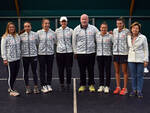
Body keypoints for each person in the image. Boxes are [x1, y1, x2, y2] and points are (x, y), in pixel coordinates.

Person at [73, 14, 99, 92]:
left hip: (91, 53)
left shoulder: (93, 28)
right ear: (80, 20)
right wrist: (75, 51)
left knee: (91, 70)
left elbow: (99, 36)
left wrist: (108, 33)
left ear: (88, 20)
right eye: (83, 19)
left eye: (85, 19)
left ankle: (91, 85)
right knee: (82, 70)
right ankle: (82, 85)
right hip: (80, 53)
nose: (84, 20)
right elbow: (74, 41)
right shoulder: (76, 29)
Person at [128, 22, 149, 98]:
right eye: (133, 28)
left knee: (139, 76)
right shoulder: (128, 37)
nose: (135, 29)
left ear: (139, 29)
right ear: (131, 29)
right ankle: (134, 90)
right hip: (131, 59)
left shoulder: (143, 37)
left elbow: (146, 49)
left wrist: (146, 60)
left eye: (137, 28)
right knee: (133, 76)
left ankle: (139, 91)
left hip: (140, 59)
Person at [1, 22, 21, 96]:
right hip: (10, 59)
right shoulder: (5, 37)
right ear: (8, 28)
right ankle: (11, 90)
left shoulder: (17, 36)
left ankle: (11, 87)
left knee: (15, 74)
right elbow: (3, 49)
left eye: (13, 27)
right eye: (10, 27)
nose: (11, 28)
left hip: (17, 58)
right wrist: (5, 59)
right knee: (11, 74)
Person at [20, 22, 39, 94]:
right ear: (24, 28)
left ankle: (36, 87)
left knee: (34, 72)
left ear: (31, 27)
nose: (27, 28)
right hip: (25, 57)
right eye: (25, 26)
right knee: (26, 72)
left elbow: (37, 43)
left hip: (33, 56)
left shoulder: (35, 34)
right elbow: (19, 45)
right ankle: (27, 88)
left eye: (28, 26)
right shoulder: (21, 36)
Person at [37, 18, 56, 93]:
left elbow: (55, 41)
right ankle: (43, 85)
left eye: (48, 23)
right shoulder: (38, 33)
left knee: (49, 70)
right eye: (45, 23)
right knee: (42, 70)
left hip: (50, 54)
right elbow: (37, 42)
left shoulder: (53, 33)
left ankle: (48, 84)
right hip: (41, 54)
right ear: (42, 24)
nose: (47, 25)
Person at [55, 16, 73, 90]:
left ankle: (68, 83)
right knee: (60, 69)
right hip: (59, 53)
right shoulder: (57, 31)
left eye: (64, 21)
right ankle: (61, 83)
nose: (63, 23)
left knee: (69, 69)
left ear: (67, 22)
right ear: (60, 22)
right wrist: (60, 46)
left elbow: (74, 40)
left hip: (69, 52)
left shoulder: (71, 30)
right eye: (62, 21)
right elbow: (55, 41)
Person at [113, 17, 130, 95]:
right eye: (117, 23)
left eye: (120, 23)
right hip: (116, 53)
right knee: (117, 71)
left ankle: (125, 88)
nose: (118, 25)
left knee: (124, 72)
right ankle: (118, 87)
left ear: (123, 23)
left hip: (124, 54)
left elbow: (129, 43)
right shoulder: (114, 31)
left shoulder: (127, 32)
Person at [96, 22, 113, 93]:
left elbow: (114, 44)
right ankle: (101, 85)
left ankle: (107, 86)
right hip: (99, 56)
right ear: (100, 28)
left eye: (105, 28)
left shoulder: (110, 36)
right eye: (102, 27)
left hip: (108, 56)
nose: (103, 29)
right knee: (101, 71)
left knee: (107, 72)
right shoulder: (97, 35)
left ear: (107, 28)